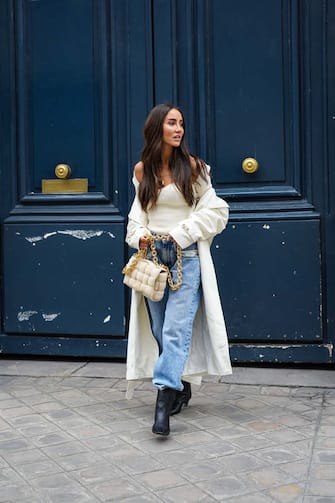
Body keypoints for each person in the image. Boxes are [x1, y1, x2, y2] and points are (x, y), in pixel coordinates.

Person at [125, 103, 232, 436]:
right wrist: (144, 237)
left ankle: (162, 403)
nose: (179, 129)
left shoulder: (194, 167)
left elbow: (217, 211)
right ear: (157, 128)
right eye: (172, 123)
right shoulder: (143, 171)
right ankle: (180, 386)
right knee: (159, 331)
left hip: (186, 261)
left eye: (181, 123)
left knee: (174, 330)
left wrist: (179, 235)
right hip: (152, 262)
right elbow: (134, 221)